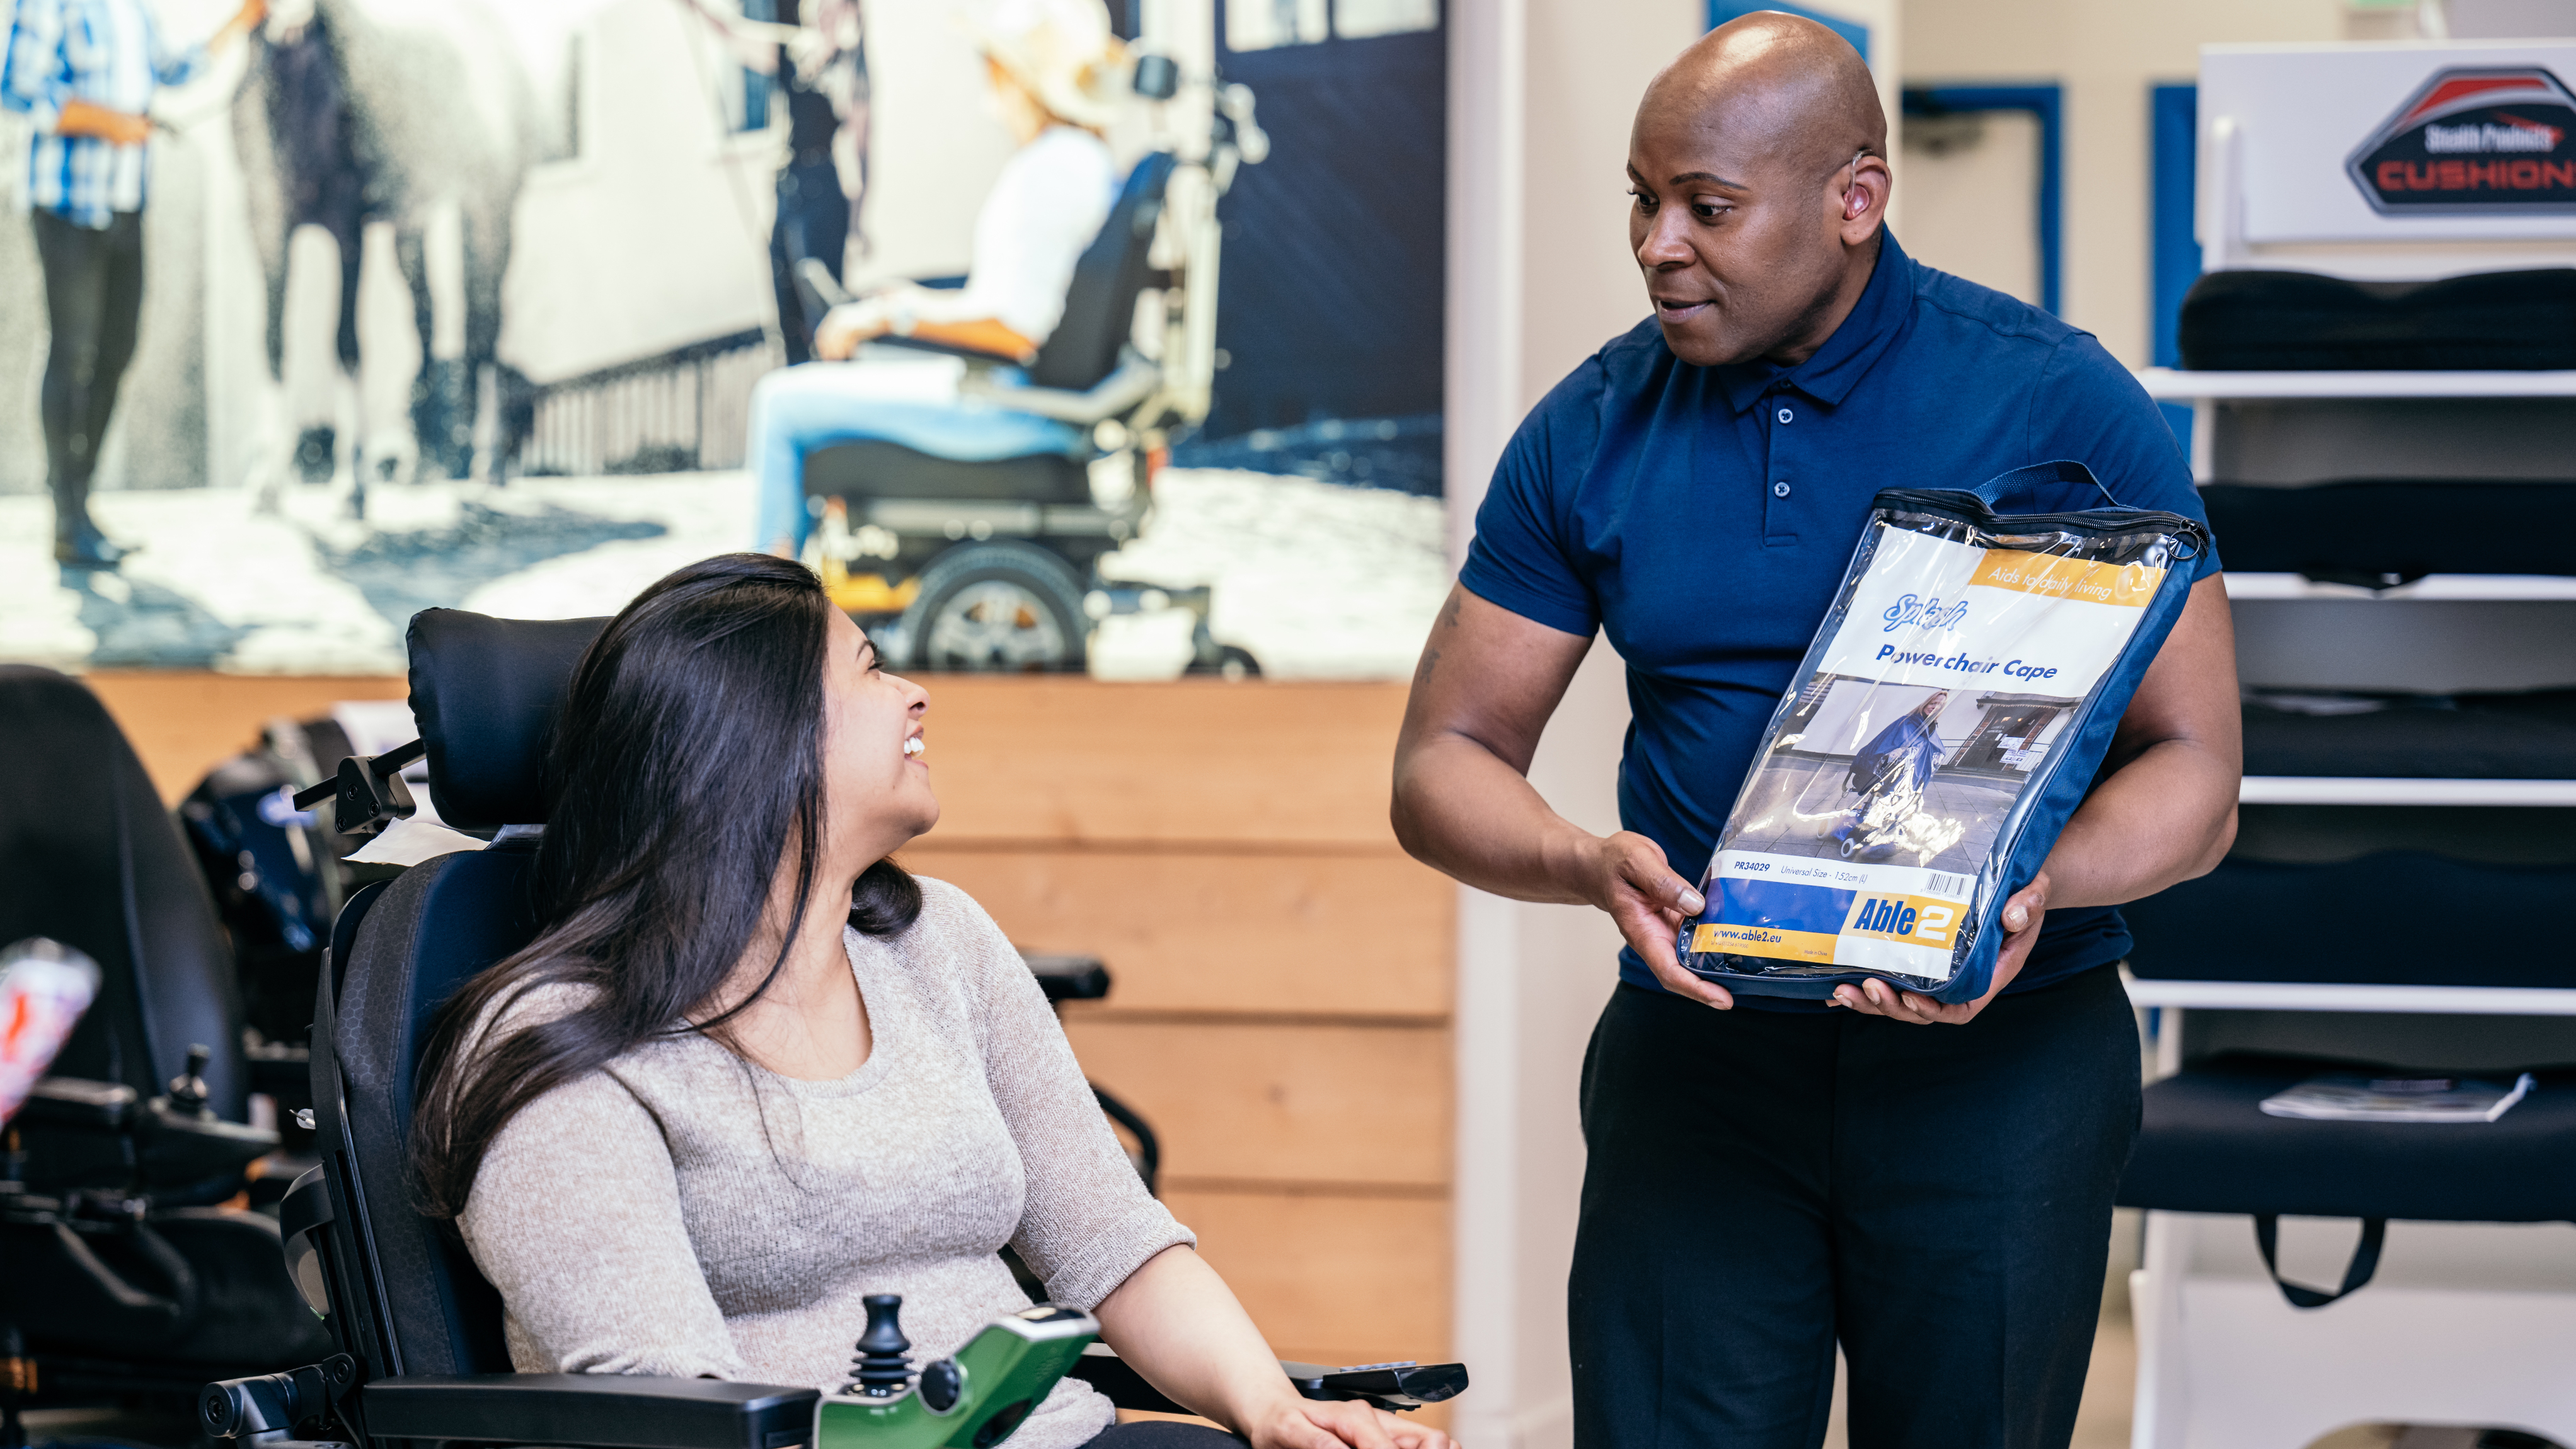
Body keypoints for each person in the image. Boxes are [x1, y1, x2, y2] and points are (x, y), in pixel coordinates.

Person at [1389, 16, 2240, 1449]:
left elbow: (2199, 773)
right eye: (1641, 201)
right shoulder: (1591, 425)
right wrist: (1584, 861)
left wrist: (2025, 888)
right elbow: (1442, 761)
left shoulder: (2059, 399)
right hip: (1702, 1064)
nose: (1658, 245)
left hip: (2001, 1065)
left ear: (1855, 199)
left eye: (1706, 207)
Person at [408, 554, 1449, 1449]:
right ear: (759, 740)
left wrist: (1274, 1411)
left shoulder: (938, 942)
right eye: (869, 669)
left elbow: (1112, 1247)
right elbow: (667, 1406)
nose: (915, 695)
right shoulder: (558, 1045)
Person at [745, 0, 1124, 558]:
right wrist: (913, 304)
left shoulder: (1050, 171)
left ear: (1016, 77)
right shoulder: (1082, 160)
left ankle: (767, 598)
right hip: (1023, 396)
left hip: (1010, 407)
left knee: (779, 402)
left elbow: (1017, 330)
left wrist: (891, 316)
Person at [2, 0, 265, 566]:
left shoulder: (131, 8)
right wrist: (109, 122)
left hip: (125, 202)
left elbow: (172, 70)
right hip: (67, 204)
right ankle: (67, 516)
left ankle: (82, 502)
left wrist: (241, 21)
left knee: (117, 351)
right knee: (72, 352)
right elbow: (16, 89)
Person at [1828, 689, 1947, 857]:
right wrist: (1893, 751)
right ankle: (1860, 832)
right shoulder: (1907, 723)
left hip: (1905, 781)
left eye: (1939, 705)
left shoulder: (1932, 735)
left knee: (1894, 808)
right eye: (1932, 703)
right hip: (1881, 774)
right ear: (1926, 703)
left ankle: (1876, 835)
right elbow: (1886, 742)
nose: (1934, 707)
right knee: (1882, 799)